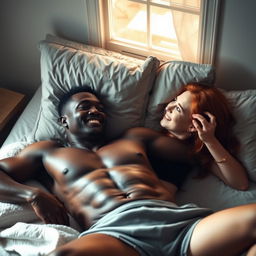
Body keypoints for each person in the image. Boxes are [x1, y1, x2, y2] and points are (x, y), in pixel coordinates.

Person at [0, 84, 255, 256]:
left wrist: (209, 139)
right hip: (114, 234)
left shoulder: (134, 137)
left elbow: (235, 179)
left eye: (100, 107)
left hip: (178, 226)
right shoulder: (47, 151)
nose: (95, 110)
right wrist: (32, 195)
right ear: (63, 120)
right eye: (85, 107)